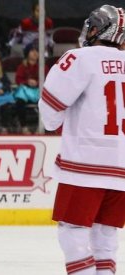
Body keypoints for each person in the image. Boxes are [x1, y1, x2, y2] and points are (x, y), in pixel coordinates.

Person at [39, 5, 125, 275]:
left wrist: (60, 122)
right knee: (105, 239)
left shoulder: (79, 58)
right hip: (122, 166)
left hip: (85, 164)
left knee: (72, 234)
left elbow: (50, 113)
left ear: (98, 29)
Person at [14, 42, 48, 134]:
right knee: (19, 102)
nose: (35, 53)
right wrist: (27, 82)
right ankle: (24, 126)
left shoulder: (43, 66)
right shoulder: (22, 66)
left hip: (38, 91)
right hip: (26, 91)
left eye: (37, 51)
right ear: (27, 53)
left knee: (45, 104)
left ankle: (41, 127)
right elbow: (18, 80)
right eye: (32, 51)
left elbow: (47, 80)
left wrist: (37, 83)